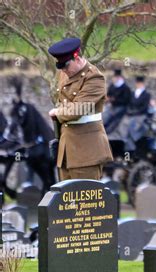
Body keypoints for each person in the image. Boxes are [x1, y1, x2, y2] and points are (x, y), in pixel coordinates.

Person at [47, 37, 113, 180]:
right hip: (66, 150)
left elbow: (78, 109)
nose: (64, 71)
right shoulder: (65, 73)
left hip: (87, 151)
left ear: (77, 58)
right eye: (61, 67)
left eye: (66, 66)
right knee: (66, 201)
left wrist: (57, 112)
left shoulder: (94, 78)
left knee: (86, 200)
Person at [104, 69, 131, 135]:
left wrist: (114, 100)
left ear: (119, 78)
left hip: (121, 106)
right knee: (105, 114)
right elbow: (108, 94)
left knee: (113, 116)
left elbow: (126, 100)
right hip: (112, 105)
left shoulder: (125, 88)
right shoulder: (112, 86)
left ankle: (108, 131)